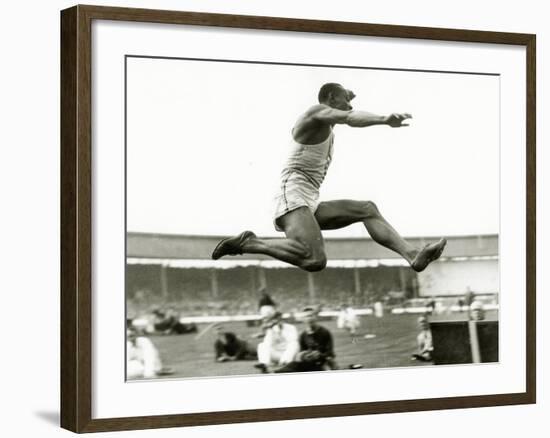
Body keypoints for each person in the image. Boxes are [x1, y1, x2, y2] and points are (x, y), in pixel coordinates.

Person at [212, 83, 446, 272]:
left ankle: (413, 256)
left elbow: (346, 112)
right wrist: (383, 119)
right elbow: (350, 118)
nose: (350, 105)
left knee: (367, 208)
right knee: (314, 260)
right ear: (331, 98)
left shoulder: (327, 121)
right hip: (292, 193)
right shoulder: (314, 113)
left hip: (309, 197)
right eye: (345, 99)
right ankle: (249, 243)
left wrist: (347, 97)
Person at [276, 306, 337, 372]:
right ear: (303, 319)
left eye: (311, 315)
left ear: (315, 317)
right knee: (284, 370)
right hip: (307, 363)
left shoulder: (325, 332)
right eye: (306, 316)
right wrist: (304, 355)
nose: (309, 319)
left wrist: (319, 355)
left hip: (322, 364)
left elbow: (330, 353)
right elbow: (301, 353)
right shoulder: (303, 335)